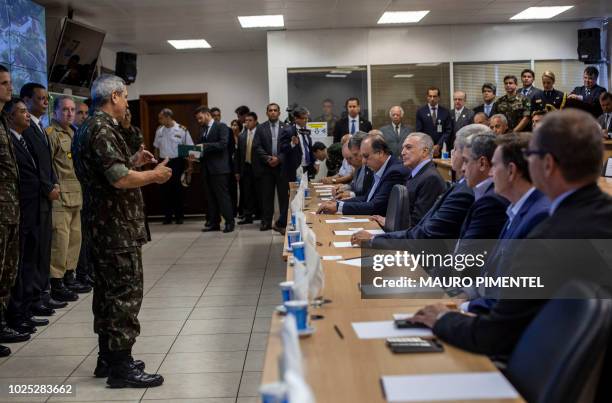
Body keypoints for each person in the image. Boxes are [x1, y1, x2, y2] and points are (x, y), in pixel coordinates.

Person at [410, 109, 612, 358]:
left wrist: (442, 319)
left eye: (531, 155)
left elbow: (495, 335)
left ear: (547, 164)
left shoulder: (545, 235)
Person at [72, 74, 171, 387]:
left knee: (106, 294)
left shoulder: (89, 126)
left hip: (104, 225)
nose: (126, 101)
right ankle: (122, 368)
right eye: (124, 96)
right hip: (115, 227)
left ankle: (109, 358)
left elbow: (110, 171)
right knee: (124, 294)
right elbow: (118, 179)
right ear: (113, 96)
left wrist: (133, 160)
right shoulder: (101, 128)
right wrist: (154, 175)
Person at [353, 124, 487, 245]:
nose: (403, 152)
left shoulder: (431, 178)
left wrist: (375, 239)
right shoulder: (417, 174)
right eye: (403, 148)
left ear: (424, 151)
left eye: (408, 147)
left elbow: (422, 228)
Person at [465, 133, 550, 314]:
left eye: (494, 165)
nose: (489, 172)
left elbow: (509, 297)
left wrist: (462, 308)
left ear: (511, 171)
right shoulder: (516, 209)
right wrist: (467, 294)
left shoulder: (539, 217)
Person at [20, 83, 64, 314]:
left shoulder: (40, 127)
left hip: (47, 196)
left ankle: (41, 294)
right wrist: (48, 187)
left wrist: (55, 182)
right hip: (35, 198)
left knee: (44, 249)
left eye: (47, 99)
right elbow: (33, 166)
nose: (45, 103)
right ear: (26, 101)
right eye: (41, 99)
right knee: (34, 251)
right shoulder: (25, 129)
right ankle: (32, 300)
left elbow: (48, 162)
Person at [47, 96, 91, 303]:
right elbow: (47, 166)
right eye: (65, 109)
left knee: (75, 239)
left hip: (77, 193)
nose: (70, 113)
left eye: (73, 109)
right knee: (60, 241)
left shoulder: (75, 133)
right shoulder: (51, 134)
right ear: (55, 112)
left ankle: (69, 276)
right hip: (60, 195)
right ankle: (56, 282)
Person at [2, 97, 35, 347]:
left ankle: (7, 320)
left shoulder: (3, 125)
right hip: (7, 209)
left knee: (10, 270)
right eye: (3, 83)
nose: (9, 86)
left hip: (13, 209)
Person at [317, 134, 408, 215]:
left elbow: (375, 207)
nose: (363, 162)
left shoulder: (394, 172)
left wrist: (338, 207)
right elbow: (367, 198)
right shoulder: (380, 168)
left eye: (366, 156)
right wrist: (338, 203)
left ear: (380, 153)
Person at [195, 106, 235, 233]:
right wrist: (194, 155)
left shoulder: (221, 126)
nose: (199, 121)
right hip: (206, 168)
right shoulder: (202, 130)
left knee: (223, 197)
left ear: (207, 114)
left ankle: (229, 222)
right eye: (197, 119)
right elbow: (201, 149)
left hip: (219, 169)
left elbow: (223, 144)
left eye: (200, 118)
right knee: (211, 198)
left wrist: (205, 146)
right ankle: (214, 223)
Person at [153, 108, 193, 224]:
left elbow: (189, 149)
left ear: (168, 117)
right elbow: (156, 147)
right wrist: (156, 163)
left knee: (178, 190)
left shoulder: (181, 129)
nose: (159, 120)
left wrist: (190, 167)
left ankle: (179, 216)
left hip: (177, 162)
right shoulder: (159, 130)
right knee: (164, 190)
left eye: (161, 118)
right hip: (163, 162)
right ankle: (167, 216)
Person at [255, 103, 290, 233]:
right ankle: (266, 222)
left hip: (281, 167)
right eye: (270, 110)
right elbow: (257, 146)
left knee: (283, 197)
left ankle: (282, 222)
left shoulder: (286, 127)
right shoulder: (261, 128)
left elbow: (288, 148)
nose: (273, 112)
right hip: (266, 167)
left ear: (279, 112)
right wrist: (268, 158)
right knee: (267, 196)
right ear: (267, 113)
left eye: (275, 110)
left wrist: (279, 159)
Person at [235, 111, 261, 225]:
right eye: (246, 121)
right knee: (247, 193)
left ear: (255, 121)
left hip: (258, 167)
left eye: (250, 121)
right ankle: (248, 216)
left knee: (259, 192)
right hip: (246, 167)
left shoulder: (261, 133)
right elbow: (238, 155)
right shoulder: (242, 136)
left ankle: (261, 214)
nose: (247, 123)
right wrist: (237, 171)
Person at [335, 132, 373, 200]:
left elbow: (367, 195)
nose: (349, 163)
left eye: (351, 157)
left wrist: (350, 195)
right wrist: (344, 188)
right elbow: (354, 186)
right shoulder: (358, 167)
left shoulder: (370, 167)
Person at [415, 87, 452, 155]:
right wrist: (429, 146)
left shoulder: (445, 112)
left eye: (434, 96)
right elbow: (419, 132)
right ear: (427, 97)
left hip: (441, 149)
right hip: (426, 149)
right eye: (430, 96)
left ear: (438, 98)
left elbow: (448, 131)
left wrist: (438, 145)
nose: (432, 99)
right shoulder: (421, 112)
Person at [229, 119, 243, 218]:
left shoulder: (242, 136)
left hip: (241, 165)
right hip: (231, 166)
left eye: (236, 125)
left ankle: (242, 211)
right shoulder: (229, 137)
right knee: (232, 189)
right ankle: (233, 211)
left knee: (243, 190)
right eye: (232, 125)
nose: (234, 127)